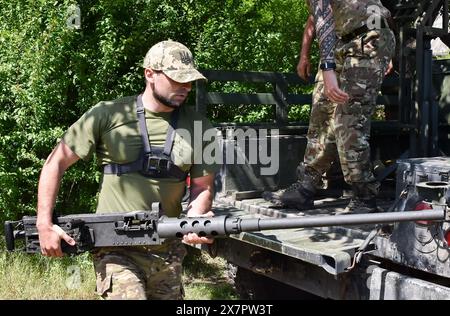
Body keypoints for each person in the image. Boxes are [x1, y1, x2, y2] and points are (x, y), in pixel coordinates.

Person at [36, 40, 219, 299]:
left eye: (189, 81)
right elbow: (55, 163)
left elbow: (202, 187)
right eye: (177, 79)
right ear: (149, 74)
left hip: (167, 251)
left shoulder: (202, 126)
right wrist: (44, 224)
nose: (186, 87)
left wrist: (195, 221)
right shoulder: (108, 114)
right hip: (115, 248)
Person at [264, 0, 396, 214]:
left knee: (348, 119)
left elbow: (380, 13)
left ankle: (364, 195)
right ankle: (306, 186)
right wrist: (304, 55)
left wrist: (328, 67)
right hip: (343, 43)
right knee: (321, 115)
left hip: (370, 40)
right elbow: (316, 17)